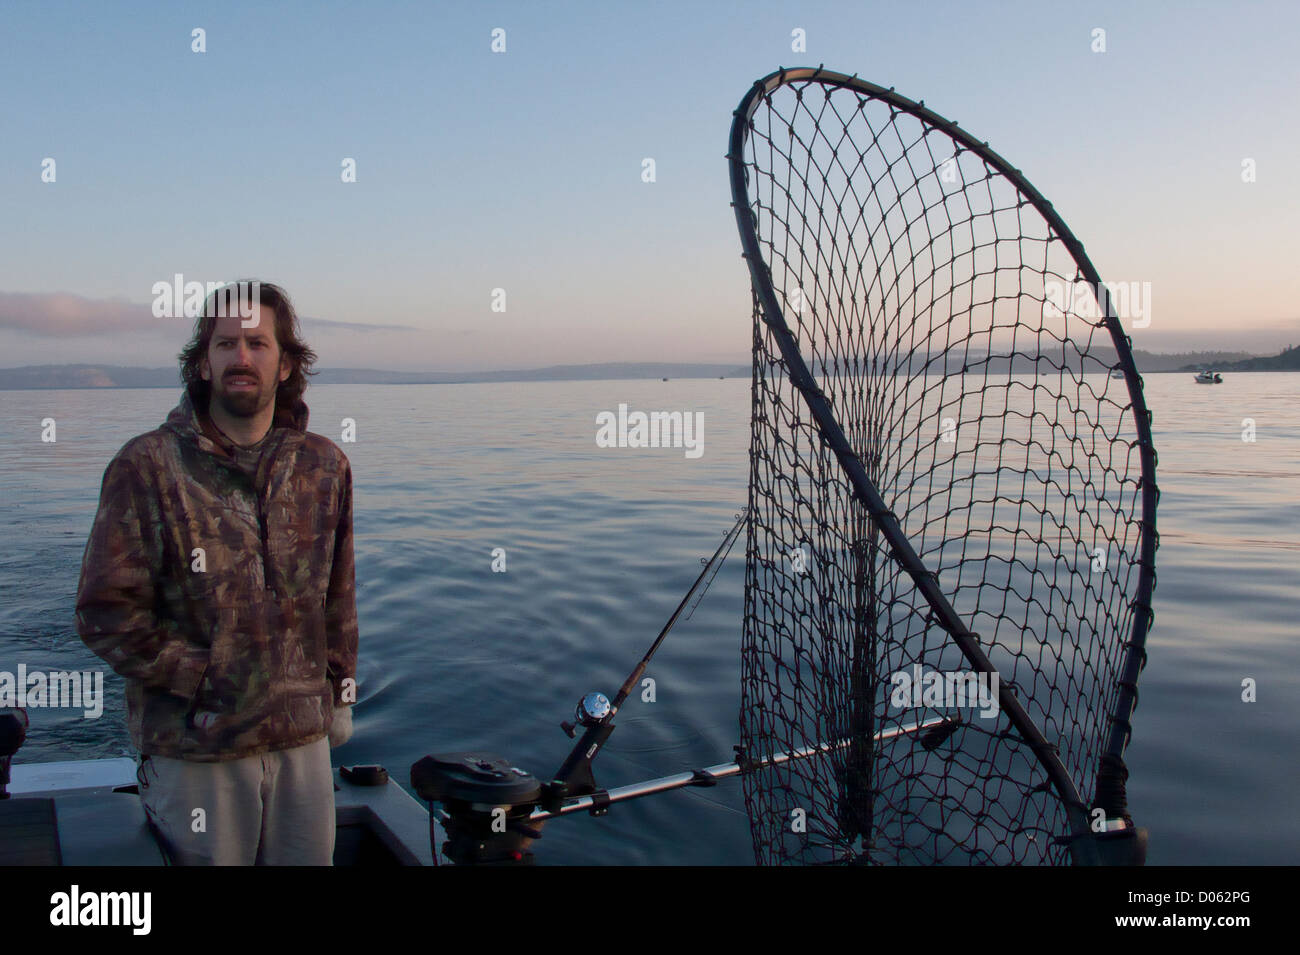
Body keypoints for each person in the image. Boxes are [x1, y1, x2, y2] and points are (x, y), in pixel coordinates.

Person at [75, 280, 358, 865]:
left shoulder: (325, 466)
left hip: (304, 743)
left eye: (258, 343)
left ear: (286, 365)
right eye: (225, 344)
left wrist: (339, 693)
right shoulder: (146, 465)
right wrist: (206, 678)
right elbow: (105, 612)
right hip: (196, 749)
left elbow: (339, 599)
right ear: (203, 363)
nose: (242, 357)